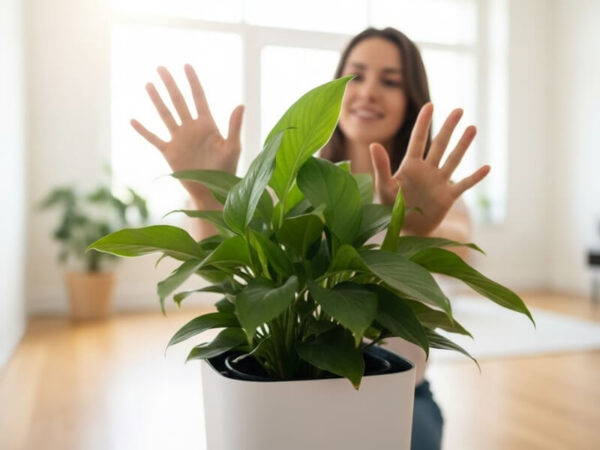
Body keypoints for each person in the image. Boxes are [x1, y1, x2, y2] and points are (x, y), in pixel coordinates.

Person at [131, 27, 490, 450]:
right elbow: (227, 263)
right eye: (356, 75)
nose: (369, 91)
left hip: (399, 399)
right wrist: (206, 190)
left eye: (390, 81)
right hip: (291, 392)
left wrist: (409, 225)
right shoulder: (294, 188)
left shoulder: (433, 193)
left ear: (411, 97)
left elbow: (461, 252)